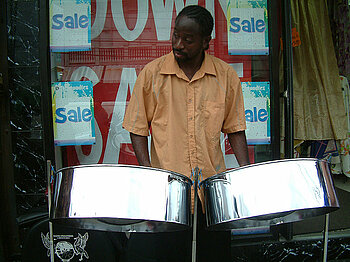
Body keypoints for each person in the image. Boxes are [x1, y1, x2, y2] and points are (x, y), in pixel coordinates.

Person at [122, 5, 250, 262]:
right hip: (169, 195)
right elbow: (137, 129)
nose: (178, 44)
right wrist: (150, 175)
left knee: (214, 255)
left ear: (206, 42)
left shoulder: (225, 76)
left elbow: (235, 129)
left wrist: (248, 176)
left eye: (188, 39)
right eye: (175, 36)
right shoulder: (152, 74)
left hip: (211, 195)